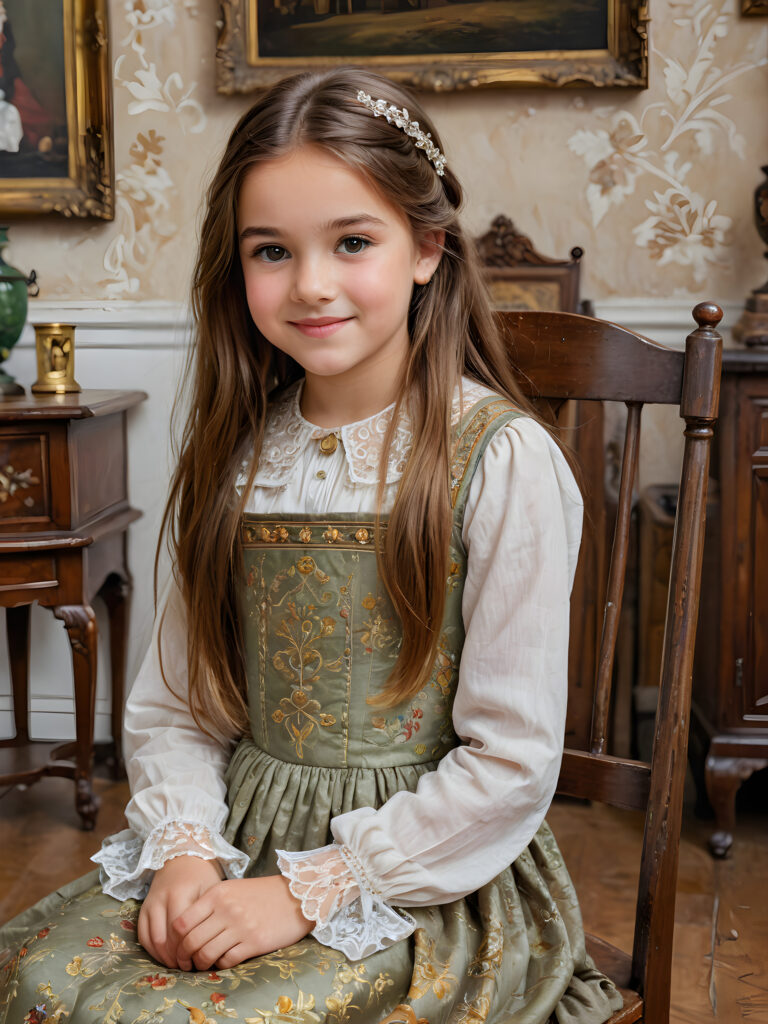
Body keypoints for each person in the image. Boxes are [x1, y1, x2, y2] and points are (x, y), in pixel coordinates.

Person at [0, 68, 624, 1024]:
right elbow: (180, 707)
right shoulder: (239, 455)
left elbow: (510, 765)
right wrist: (182, 854)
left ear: (426, 248)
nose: (311, 284)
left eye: (353, 242)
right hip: (236, 842)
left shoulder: (501, 462)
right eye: (271, 251)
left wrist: (304, 892)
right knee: (37, 979)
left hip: (422, 884)